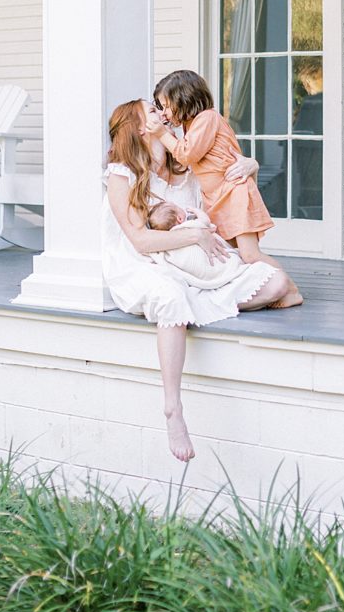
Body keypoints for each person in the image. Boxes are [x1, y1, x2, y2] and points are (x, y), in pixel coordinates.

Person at [102, 99, 293, 464]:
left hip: (196, 261)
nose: (162, 113)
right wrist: (193, 238)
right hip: (145, 263)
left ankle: (198, 304)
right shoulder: (121, 175)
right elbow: (140, 241)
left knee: (274, 282)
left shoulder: (186, 165)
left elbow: (230, 181)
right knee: (171, 298)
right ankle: (173, 408)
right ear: (140, 128)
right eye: (152, 111)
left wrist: (249, 166)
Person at [151, 69, 303, 307]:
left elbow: (186, 155)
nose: (165, 113)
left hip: (234, 194)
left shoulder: (206, 119)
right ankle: (266, 289)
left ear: (184, 98)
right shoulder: (192, 126)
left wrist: (161, 134)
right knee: (237, 257)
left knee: (250, 254)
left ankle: (291, 290)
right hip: (218, 198)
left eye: (166, 106)